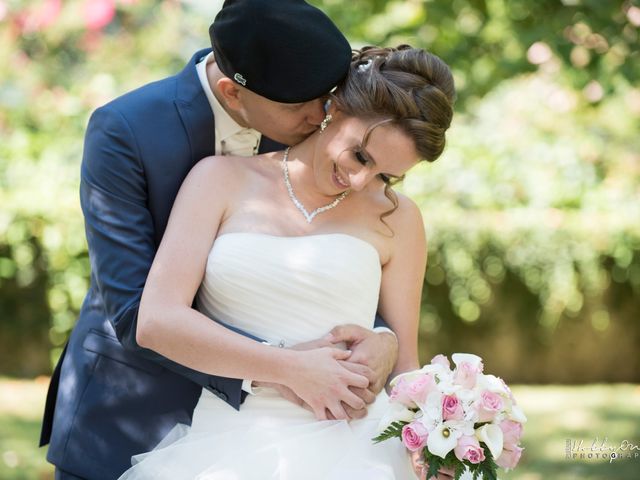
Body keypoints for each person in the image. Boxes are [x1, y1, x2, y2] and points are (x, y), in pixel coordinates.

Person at [39, 1, 399, 478]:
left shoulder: (310, 119)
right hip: (132, 411)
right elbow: (132, 311)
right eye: (300, 107)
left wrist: (384, 337)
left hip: (280, 437)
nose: (320, 117)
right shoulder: (124, 131)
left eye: (327, 98)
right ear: (232, 93)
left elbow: (342, 244)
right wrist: (281, 367)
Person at [118, 44, 456, 479]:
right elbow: (157, 322)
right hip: (229, 442)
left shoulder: (401, 218)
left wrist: (429, 437)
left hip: (355, 448)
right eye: (360, 156)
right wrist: (290, 368)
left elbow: (405, 365)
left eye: (384, 175)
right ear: (332, 108)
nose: (358, 181)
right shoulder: (218, 179)